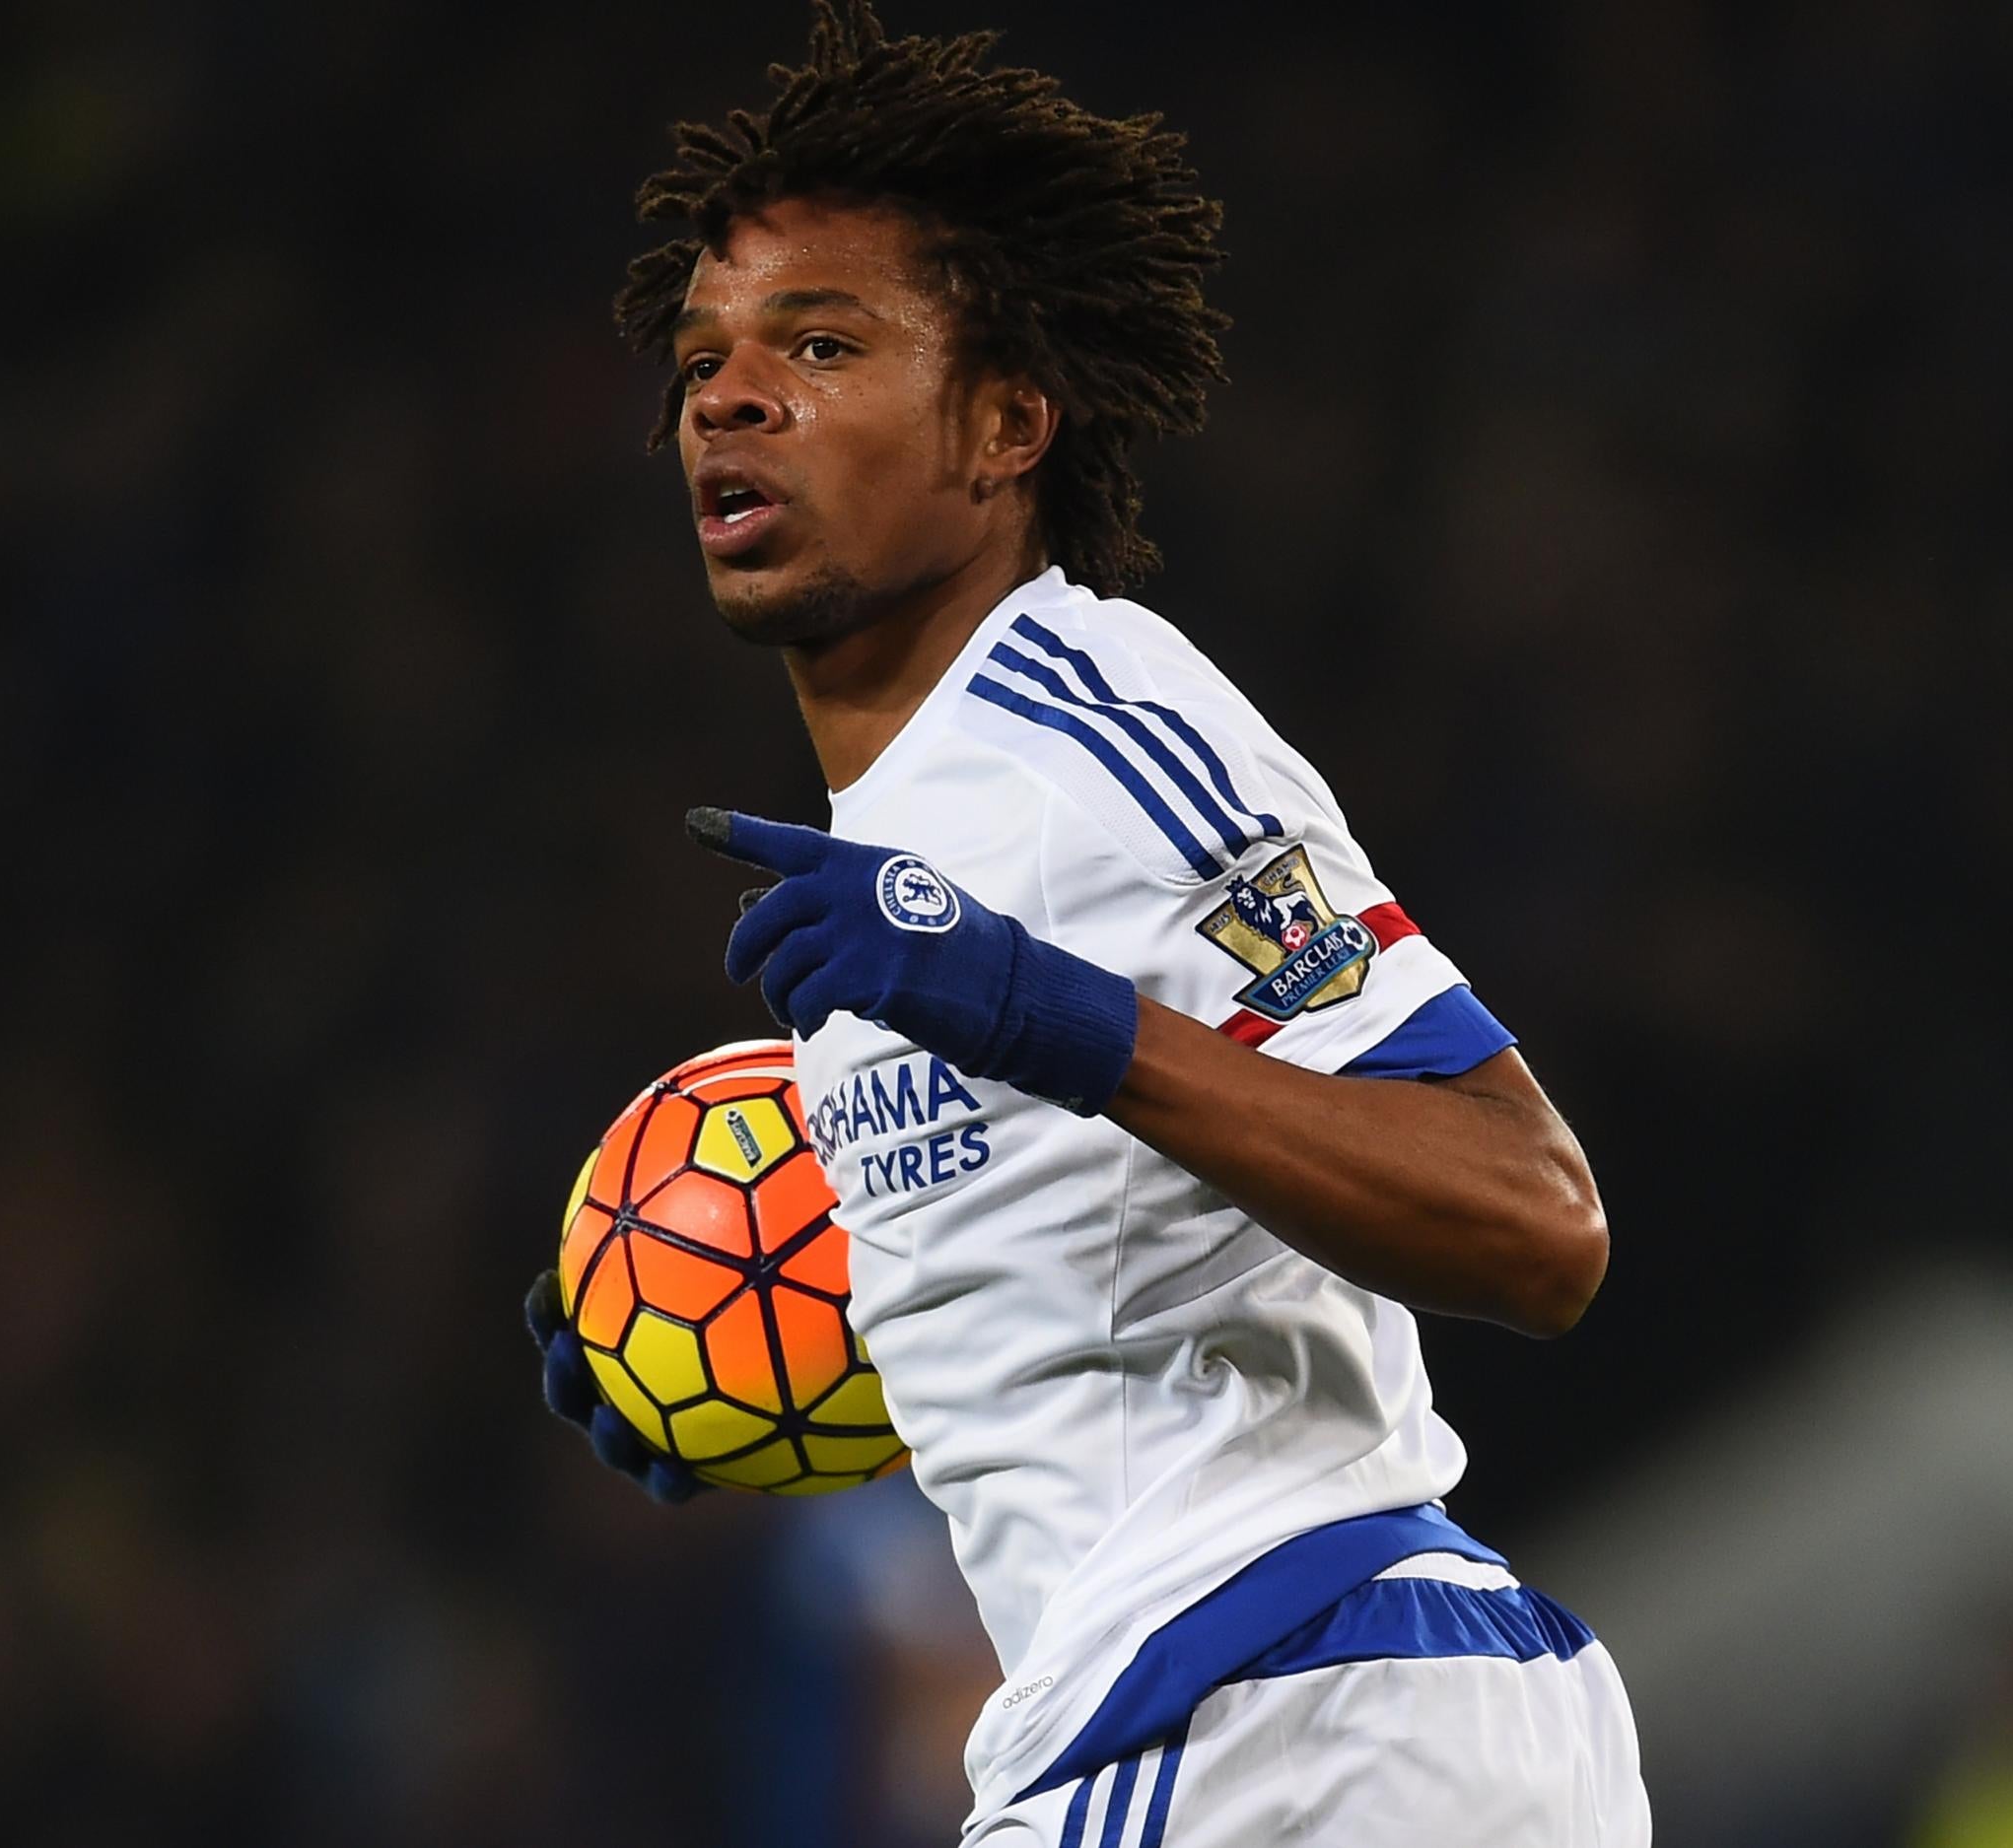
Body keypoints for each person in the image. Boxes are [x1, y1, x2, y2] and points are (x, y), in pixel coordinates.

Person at [525, 5, 1650, 1841]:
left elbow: (1537, 1218)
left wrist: (1055, 1015)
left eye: (821, 345)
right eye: (705, 356)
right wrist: (734, 1343)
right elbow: (1119, 1268)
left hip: (1281, 1716)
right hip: (1282, 1719)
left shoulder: (1085, 725)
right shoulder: (901, 846)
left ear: (1003, 426)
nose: (729, 396)